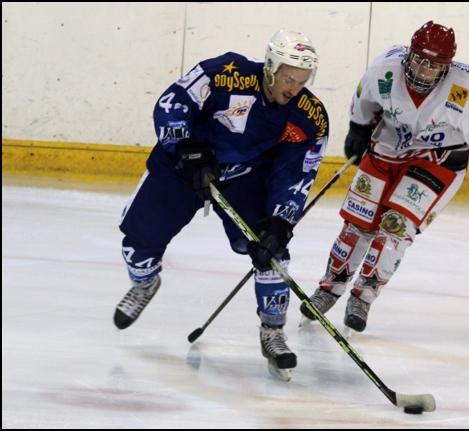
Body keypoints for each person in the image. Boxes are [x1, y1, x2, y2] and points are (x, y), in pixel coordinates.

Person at [114, 29, 329, 380]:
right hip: (185, 166)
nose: (294, 89)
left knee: (270, 249)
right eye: (289, 79)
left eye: (302, 82)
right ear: (271, 68)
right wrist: (184, 148)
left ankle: (273, 330)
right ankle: (144, 282)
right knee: (139, 241)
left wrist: (281, 220)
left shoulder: (308, 116)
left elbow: (296, 172)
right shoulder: (226, 73)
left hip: (245, 176)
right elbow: (172, 102)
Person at [300, 20, 469, 332]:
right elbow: (363, 98)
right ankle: (330, 287)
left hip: (438, 161)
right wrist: (358, 127)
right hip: (385, 149)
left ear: (446, 67)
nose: (423, 71)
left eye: (433, 66)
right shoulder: (385, 69)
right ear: (409, 54)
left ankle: (364, 295)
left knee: (395, 227)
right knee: (357, 225)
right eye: (419, 61)